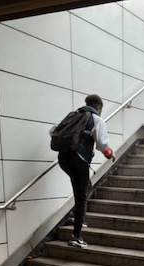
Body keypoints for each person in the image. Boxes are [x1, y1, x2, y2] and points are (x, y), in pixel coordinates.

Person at [48, 93, 113, 248]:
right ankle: (77, 237)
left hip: (63, 158)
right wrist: (111, 154)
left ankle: (77, 216)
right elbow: (103, 145)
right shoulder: (96, 120)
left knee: (83, 186)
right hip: (80, 160)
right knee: (82, 194)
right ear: (99, 108)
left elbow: (53, 131)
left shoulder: (72, 116)